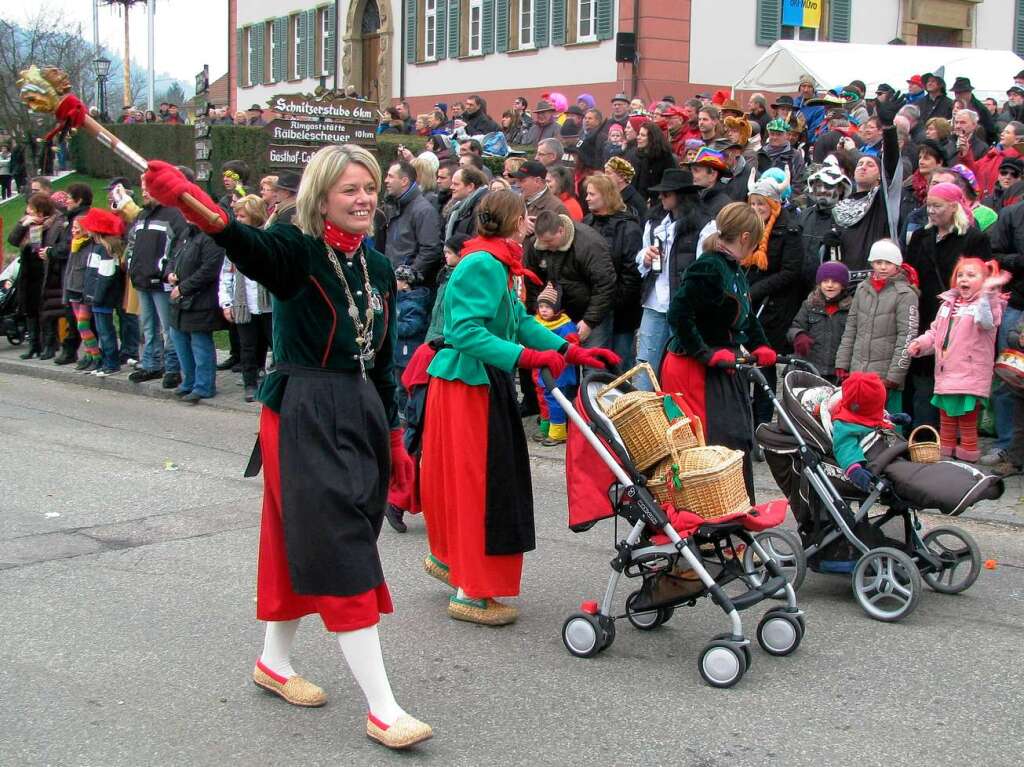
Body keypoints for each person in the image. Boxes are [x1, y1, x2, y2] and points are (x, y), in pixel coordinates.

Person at [142, 145, 430, 749]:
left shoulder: (376, 267)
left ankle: (274, 662)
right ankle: (383, 708)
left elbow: (380, 359)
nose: (363, 199)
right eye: (349, 189)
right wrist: (195, 205)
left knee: (298, 537)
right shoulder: (296, 250)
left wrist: (397, 429)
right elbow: (246, 245)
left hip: (359, 411)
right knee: (340, 543)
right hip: (302, 409)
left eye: (370, 188)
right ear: (321, 196)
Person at [418, 190, 618, 626]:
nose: (530, 223)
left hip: (483, 381)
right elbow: (465, 332)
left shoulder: (498, 262)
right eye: (524, 217)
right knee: (481, 488)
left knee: (481, 483)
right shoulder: (483, 264)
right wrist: (529, 359)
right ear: (510, 221)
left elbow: (521, 321)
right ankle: (471, 591)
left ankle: (457, 565)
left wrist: (570, 350)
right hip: (468, 385)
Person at [660, 202, 775, 500]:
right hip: (692, 367)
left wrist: (760, 344)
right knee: (710, 442)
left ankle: (733, 511)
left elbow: (745, 316)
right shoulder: (709, 266)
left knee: (737, 437)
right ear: (747, 236)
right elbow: (679, 315)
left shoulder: (734, 269)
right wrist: (705, 354)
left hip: (723, 364)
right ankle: (703, 516)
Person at [906, 181, 990, 426]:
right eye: (928, 205)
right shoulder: (921, 236)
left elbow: (981, 279)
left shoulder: (974, 238)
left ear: (954, 207)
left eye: (937, 206)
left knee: (953, 384)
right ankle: (923, 437)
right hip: (925, 315)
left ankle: (954, 442)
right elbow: (910, 273)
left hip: (957, 319)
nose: (931, 211)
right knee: (923, 382)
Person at [908, 258, 1008, 461]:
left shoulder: (989, 305)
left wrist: (986, 295)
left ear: (985, 280)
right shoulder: (947, 304)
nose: (964, 279)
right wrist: (920, 343)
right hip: (947, 372)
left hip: (970, 373)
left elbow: (986, 322)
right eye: (961, 275)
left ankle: (968, 452)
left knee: (967, 418)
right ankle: (946, 452)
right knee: (947, 416)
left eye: (971, 275)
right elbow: (935, 332)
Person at [745, 174, 805, 427]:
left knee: (764, 360)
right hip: (752, 302)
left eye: (762, 204)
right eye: (754, 204)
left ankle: (761, 419)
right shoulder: (749, 229)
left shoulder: (789, 231)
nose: (757, 209)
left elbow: (791, 272)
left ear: (774, 205)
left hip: (775, 307)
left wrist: (755, 291)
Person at [835, 239, 920, 415]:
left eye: (888, 263)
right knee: (856, 419)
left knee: (887, 422)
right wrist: (843, 363)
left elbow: (907, 337)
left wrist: (894, 376)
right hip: (858, 373)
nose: (882, 267)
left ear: (897, 264)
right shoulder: (861, 289)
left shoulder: (905, 294)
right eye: (878, 262)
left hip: (885, 376)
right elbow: (851, 328)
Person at [125, 172, 188, 388]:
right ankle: (151, 363)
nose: (144, 192)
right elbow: (132, 244)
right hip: (141, 279)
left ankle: (172, 367)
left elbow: (179, 245)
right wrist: (133, 267)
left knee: (168, 327)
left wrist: (166, 270)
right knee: (149, 327)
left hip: (161, 281)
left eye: (148, 188)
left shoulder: (173, 215)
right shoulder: (142, 216)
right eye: (142, 188)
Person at [832, 96, 905, 276]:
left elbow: (891, 166)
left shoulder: (883, 199)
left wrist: (888, 129)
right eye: (860, 164)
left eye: (870, 165)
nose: (863, 166)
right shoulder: (842, 202)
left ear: (879, 178)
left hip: (875, 279)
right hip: (844, 281)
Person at [584, 173, 643, 368]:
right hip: (593, 307)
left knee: (619, 365)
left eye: (592, 194)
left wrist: (610, 302)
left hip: (621, 312)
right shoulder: (587, 222)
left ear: (606, 195)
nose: (587, 198)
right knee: (593, 363)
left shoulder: (629, 228)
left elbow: (632, 274)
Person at [221, 195, 273, 402]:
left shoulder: (268, 238)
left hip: (268, 303)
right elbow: (226, 274)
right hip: (244, 302)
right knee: (248, 345)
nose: (238, 219)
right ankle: (249, 382)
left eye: (242, 216)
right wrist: (226, 302)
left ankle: (272, 379)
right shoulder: (235, 243)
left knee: (273, 343)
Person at [7, 193, 60, 358]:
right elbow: (13, 240)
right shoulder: (29, 226)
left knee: (45, 310)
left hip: (45, 273)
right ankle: (34, 346)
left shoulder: (52, 225)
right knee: (30, 309)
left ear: (41, 212)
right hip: (28, 273)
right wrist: (23, 225)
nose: (27, 212)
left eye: (31, 210)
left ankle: (49, 345)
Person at [46, 182, 93, 366]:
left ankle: (79, 351)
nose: (66, 201)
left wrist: (51, 252)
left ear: (79, 200)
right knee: (76, 316)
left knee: (80, 318)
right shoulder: (72, 216)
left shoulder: (81, 218)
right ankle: (82, 351)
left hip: (78, 274)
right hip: (72, 272)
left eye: (69, 198)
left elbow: (68, 246)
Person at [530, 283, 580, 446]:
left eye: (547, 307)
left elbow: (571, 349)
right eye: (541, 306)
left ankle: (558, 433)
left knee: (555, 400)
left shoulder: (566, 327)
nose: (543, 310)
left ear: (556, 308)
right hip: (540, 371)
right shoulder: (536, 322)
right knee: (544, 399)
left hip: (558, 374)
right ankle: (546, 429)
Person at [80, 208, 127, 376]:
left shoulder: (103, 249)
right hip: (97, 297)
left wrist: (96, 297)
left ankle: (112, 363)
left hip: (102, 298)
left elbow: (105, 276)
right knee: (103, 330)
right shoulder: (97, 247)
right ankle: (107, 362)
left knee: (105, 331)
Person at [788, 261, 852, 382]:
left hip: (837, 371)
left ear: (843, 285)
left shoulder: (851, 309)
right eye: (825, 281)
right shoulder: (809, 305)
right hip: (810, 367)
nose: (829, 285)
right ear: (819, 284)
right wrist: (799, 335)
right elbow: (794, 327)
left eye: (835, 282)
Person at [383, 161, 443, 286]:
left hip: (410, 289)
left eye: (390, 176)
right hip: (392, 281)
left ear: (404, 181)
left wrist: (406, 278)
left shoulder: (424, 211)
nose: (386, 180)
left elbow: (431, 250)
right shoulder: (392, 206)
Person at [393, 264, 431, 415]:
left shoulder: (413, 304)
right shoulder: (399, 300)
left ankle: (405, 414)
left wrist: (391, 324)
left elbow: (411, 327)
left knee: (403, 386)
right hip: (399, 352)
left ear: (405, 283)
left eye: (396, 279)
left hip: (406, 354)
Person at [633, 122, 678, 204]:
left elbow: (669, 185)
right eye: (639, 134)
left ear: (652, 138)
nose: (638, 137)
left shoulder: (665, 158)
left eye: (642, 135)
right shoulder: (642, 157)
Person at [758, 119, 806, 195]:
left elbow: (799, 183)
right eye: (772, 134)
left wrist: (788, 200)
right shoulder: (760, 153)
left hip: (784, 199)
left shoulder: (795, 155)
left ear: (787, 135)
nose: (774, 137)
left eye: (779, 134)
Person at [443, 166, 488, 240]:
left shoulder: (481, 208)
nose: (451, 187)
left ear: (470, 186)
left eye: (456, 184)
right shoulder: (460, 207)